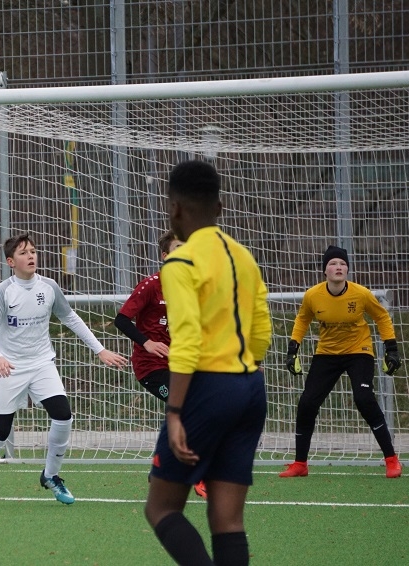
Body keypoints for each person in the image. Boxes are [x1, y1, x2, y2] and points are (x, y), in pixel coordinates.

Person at [144, 160, 271, 566]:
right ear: (219, 207)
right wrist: (244, 370)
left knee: (161, 507)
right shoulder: (244, 257)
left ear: (175, 208)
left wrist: (175, 412)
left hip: (207, 389)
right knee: (227, 520)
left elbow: (187, 340)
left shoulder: (180, 263)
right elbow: (262, 330)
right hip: (251, 388)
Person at [0, 233, 128, 509]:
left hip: (41, 364)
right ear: (11, 262)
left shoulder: (49, 287)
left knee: (63, 415)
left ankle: (50, 475)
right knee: (0, 431)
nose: (31, 256)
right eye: (24, 253)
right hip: (10, 368)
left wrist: (100, 349)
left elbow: (70, 317)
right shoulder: (4, 291)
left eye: (33, 251)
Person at [279, 245, 403, 479]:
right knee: (307, 404)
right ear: (325, 270)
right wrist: (292, 350)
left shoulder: (361, 294)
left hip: (359, 351)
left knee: (364, 399)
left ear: (347, 269)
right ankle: (300, 464)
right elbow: (302, 319)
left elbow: (381, 316)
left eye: (343, 264)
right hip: (327, 353)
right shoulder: (313, 295)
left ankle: (392, 460)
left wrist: (391, 349)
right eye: (333, 263)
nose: (339, 267)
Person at [114, 231, 207, 500]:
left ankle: (161, 465)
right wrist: (147, 343)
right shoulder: (151, 285)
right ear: (165, 256)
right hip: (150, 366)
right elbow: (121, 320)